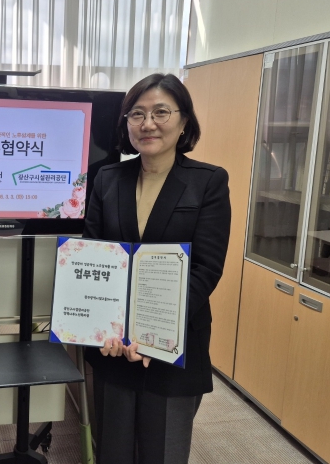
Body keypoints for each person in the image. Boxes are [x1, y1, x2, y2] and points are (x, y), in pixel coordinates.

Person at [83, 73, 231, 464]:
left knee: (162, 452)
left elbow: (206, 268)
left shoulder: (208, 182)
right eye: (137, 113)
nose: (148, 123)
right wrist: (103, 326)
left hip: (174, 346)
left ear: (184, 122)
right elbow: (93, 256)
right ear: (126, 123)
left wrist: (154, 336)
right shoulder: (107, 178)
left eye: (161, 112)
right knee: (112, 450)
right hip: (113, 346)